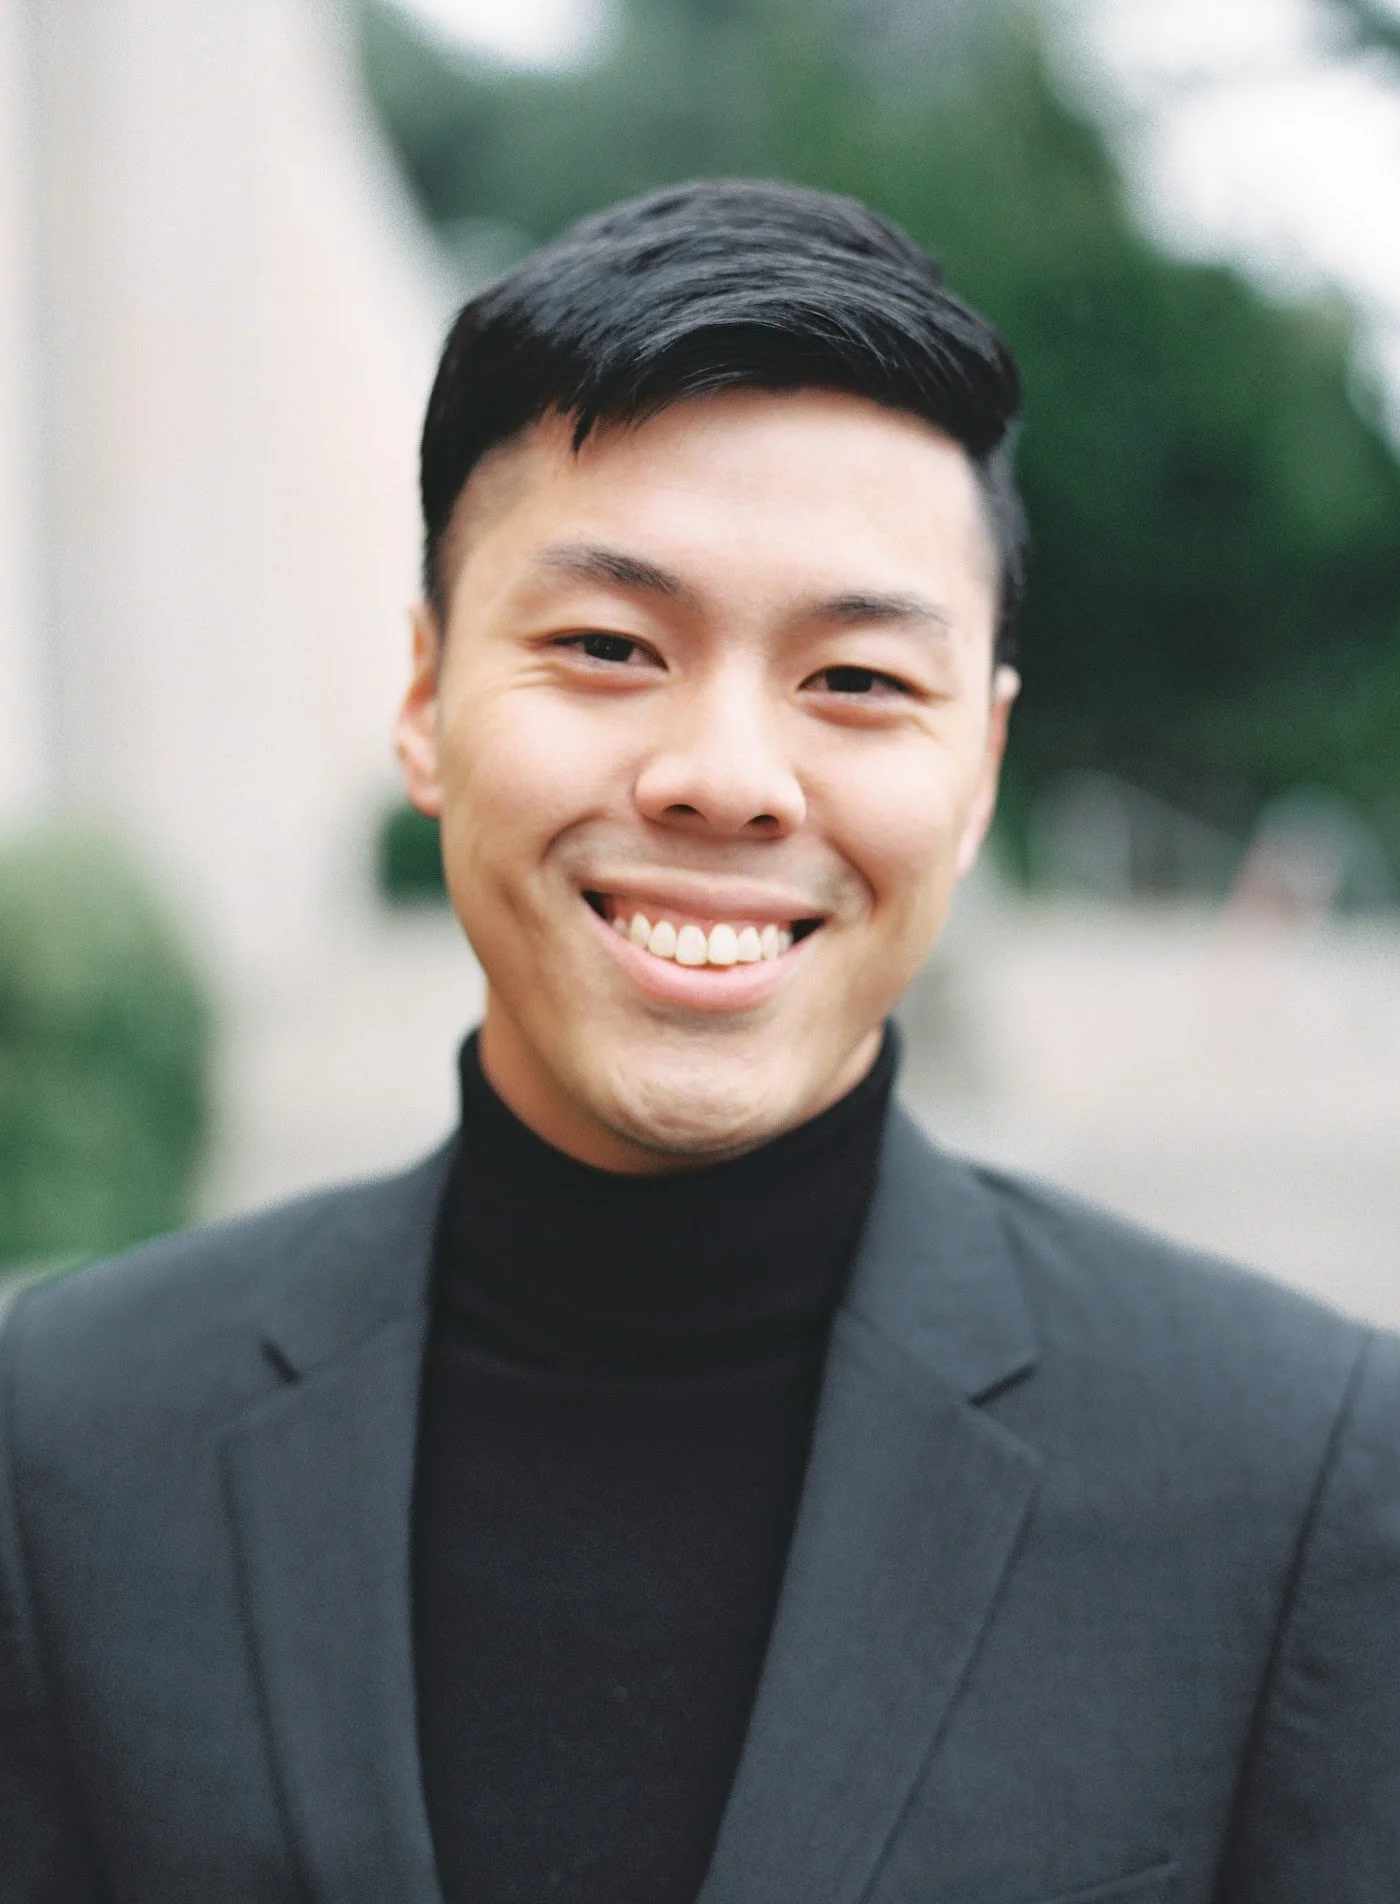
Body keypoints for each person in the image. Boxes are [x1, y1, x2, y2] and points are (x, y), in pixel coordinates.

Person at [1, 178, 1396, 1904]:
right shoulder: (55, 1434)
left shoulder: (1294, 1470)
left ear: (978, 769)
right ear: (427, 700)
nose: (726, 776)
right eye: (607, 645)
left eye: (857, 681)